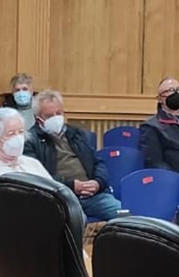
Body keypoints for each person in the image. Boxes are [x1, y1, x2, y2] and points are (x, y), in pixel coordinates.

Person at [24, 90, 122, 222]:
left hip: (94, 195)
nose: (56, 118)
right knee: (77, 221)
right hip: (61, 197)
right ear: (38, 119)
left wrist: (98, 183)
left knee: (126, 216)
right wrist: (71, 186)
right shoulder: (31, 140)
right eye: (49, 116)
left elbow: (98, 162)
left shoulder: (76, 134)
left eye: (59, 113)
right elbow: (38, 177)